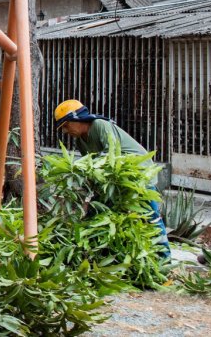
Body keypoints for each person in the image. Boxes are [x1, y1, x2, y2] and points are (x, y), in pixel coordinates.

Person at [54, 99, 170, 257]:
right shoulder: (81, 141)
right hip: (113, 181)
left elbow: (112, 156)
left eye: (66, 125)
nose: (65, 131)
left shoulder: (100, 125)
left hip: (139, 174)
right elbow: (91, 166)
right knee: (99, 214)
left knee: (151, 216)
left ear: (77, 119)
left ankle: (165, 259)